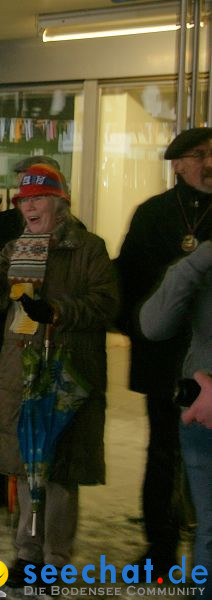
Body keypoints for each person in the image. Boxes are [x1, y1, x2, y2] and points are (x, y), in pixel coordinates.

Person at [0, 164, 118, 586]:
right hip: (22, 368)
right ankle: (27, 554)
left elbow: (105, 303)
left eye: (38, 198)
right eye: (24, 200)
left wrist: (58, 312)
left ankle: (55, 559)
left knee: (60, 472)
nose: (29, 206)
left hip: (65, 371)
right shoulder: (17, 247)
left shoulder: (88, 247)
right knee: (27, 466)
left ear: (59, 202)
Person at [116, 127, 212, 569]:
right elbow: (129, 283)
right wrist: (141, 329)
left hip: (209, 359)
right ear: (176, 164)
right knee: (163, 452)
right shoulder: (153, 214)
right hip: (163, 357)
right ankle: (160, 547)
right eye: (199, 155)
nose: (209, 163)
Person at [0, 155, 63, 516]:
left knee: (40, 425)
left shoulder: (72, 234)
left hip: (48, 343)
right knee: (0, 418)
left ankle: (31, 502)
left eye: (34, 188)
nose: (27, 196)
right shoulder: (5, 226)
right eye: (23, 187)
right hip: (1, 338)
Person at [140, 240, 211, 593]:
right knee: (210, 535)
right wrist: (195, 262)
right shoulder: (203, 262)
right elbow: (152, 325)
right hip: (202, 416)